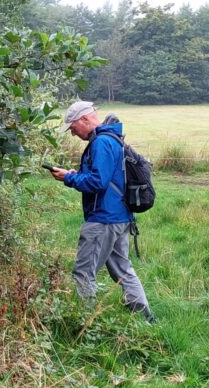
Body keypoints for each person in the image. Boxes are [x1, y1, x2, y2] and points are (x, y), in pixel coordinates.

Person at [50, 101, 155, 321]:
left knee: (83, 272)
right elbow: (104, 177)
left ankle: (84, 323)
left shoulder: (101, 142)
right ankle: (146, 319)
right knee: (122, 269)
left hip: (103, 220)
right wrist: (75, 174)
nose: (73, 134)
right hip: (119, 216)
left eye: (73, 128)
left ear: (85, 119)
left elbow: (98, 182)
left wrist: (68, 178)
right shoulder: (112, 139)